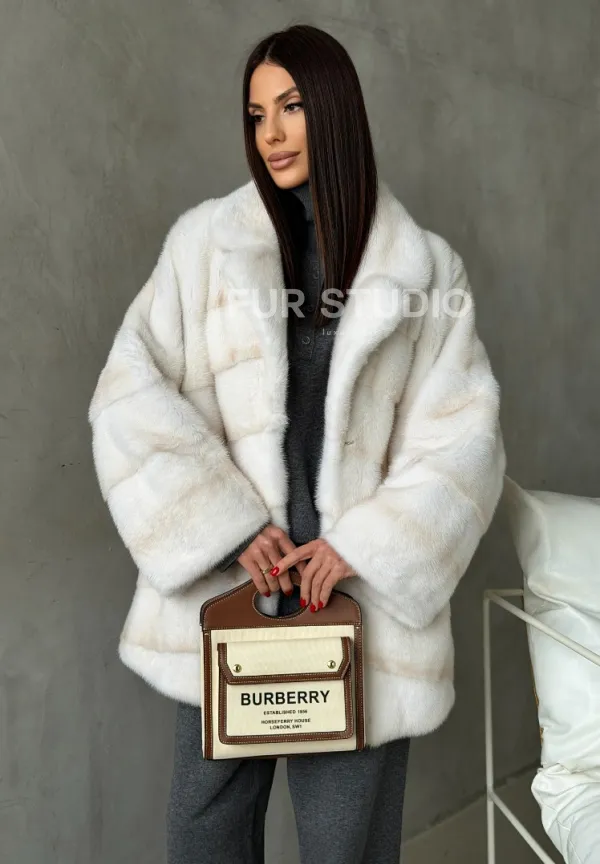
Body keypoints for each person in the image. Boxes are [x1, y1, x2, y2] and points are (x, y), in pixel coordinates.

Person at [88, 23, 505, 864]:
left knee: (346, 845)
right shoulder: (204, 249)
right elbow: (128, 391)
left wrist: (362, 546)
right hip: (231, 590)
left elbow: (464, 436)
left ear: (334, 110)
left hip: (356, 608)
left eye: (290, 107)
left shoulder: (424, 270)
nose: (270, 134)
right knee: (204, 832)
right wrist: (228, 524)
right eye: (256, 115)